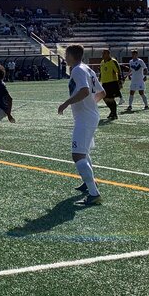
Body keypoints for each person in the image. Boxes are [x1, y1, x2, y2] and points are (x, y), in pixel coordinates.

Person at [57, 45, 106, 206]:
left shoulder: (78, 70)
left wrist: (66, 103)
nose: (65, 56)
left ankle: (94, 193)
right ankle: (89, 183)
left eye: (66, 54)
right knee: (83, 152)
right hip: (89, 116)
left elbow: (85, 91)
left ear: (72, 55)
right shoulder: (88, 69)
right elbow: (102, 93)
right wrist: (90, 105)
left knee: (77, 155)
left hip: (85, 118)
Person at [98, 49, 123, 120]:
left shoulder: (113, 61)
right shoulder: (102, 62)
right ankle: (113, 112)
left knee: (111, 99)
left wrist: (119, 81)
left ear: (108, 54)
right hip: (104, 83)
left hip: (112, 83)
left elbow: (118, 71)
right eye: (102, 53)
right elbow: (101, 71)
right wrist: (99, 79)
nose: (102, 55)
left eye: (104, 54)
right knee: (105, 98)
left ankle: (114, 114)